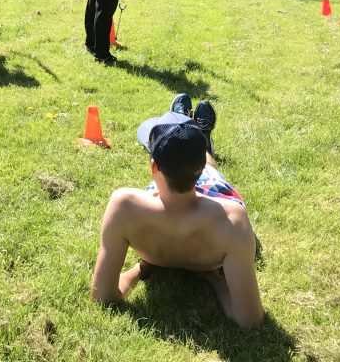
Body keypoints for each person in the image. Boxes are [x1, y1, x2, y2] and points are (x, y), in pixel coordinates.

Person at [90, 94, 264, 329]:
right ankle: (202, 141)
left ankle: (184, 127)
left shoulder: (125, 205)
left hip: (153, 250)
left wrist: (140, 269)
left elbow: (103, 296)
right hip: (208, 252)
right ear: (199, 168)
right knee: (213, 174)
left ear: (153, 166)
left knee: (161, 186)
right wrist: (214, 279)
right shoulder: (232, 220)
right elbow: (249, 320)